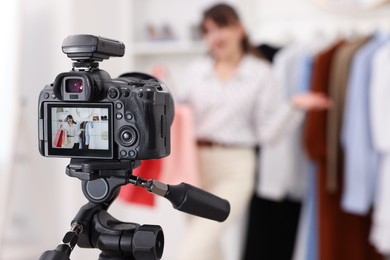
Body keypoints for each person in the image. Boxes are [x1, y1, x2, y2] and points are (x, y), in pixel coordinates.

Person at [176, 3, 330, 260]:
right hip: (194, 166)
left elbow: (268, 134)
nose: (214, 37)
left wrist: (293, 106)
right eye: (208, 31)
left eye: (221, 27)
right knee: (208, 248)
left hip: (235, 168)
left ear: (240, 28)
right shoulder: (195, 71)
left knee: (192, 250)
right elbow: (179, 117)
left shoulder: (261, 73)